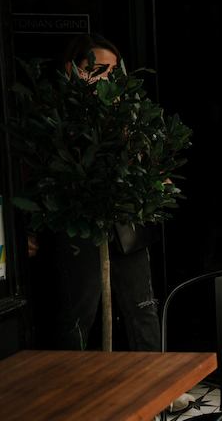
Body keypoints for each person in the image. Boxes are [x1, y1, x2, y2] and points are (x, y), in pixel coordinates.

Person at [33, 35, 162, 352]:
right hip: (80, 227)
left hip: (125, 224)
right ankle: (71, 388)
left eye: (114, 71)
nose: (109, 78)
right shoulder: (57, 116)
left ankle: (156, 388)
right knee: (79, 314)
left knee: (142, 309)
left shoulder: (127, 113)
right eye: (100, 70)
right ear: (74, 70)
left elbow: (146, 164)